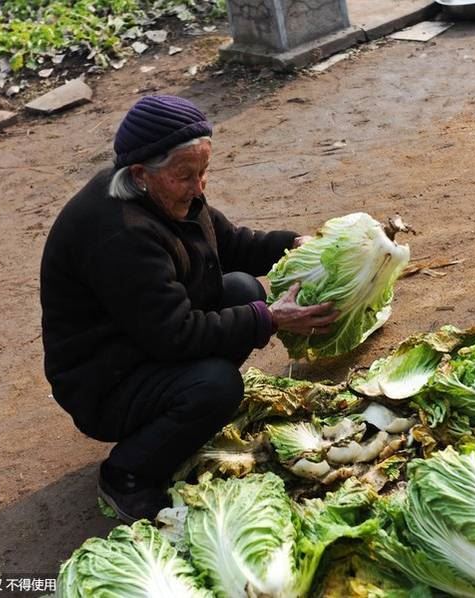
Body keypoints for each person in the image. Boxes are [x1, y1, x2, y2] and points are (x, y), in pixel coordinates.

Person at [40, 95, 338, 522]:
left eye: (204, 173)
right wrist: (269, 319)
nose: (199, 187)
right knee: (216, 385)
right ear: (141, 174)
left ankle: (182, 421)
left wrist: (294, 244)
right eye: (187, 176)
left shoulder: (165, 192)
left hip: (140, 343)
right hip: (104, 380)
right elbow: (175, 334)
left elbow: (231, 244)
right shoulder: (118, 234)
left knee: (240, 288)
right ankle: (128, 473)